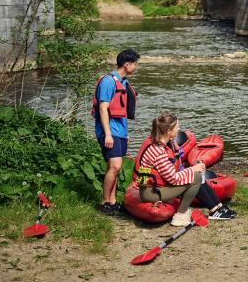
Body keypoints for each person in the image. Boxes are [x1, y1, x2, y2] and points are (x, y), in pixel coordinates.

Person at [135, 113, 237, 226]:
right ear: (168, 131)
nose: (179, 129)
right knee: (196, 176)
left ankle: (217, 207)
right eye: (177, 127)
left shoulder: (163, 143)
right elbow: (173, 179)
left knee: (194, 174)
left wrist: (191, 169)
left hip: (157, 187)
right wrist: (193, 169)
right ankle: (181, 215)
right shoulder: (158, 150)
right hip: (151, 192)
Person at [93, 49, 139, 215]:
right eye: (135, 63)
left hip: (120, 132)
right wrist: (107, 134)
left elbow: (122, 111)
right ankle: (104, 202)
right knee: (116, 166)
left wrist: (125, 133)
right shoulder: (108, 81)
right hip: (109, 131)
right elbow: (103, 108)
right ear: (127, 64)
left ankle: (112, 201)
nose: (136, 67)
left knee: (114, 167)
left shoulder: (123, 82)